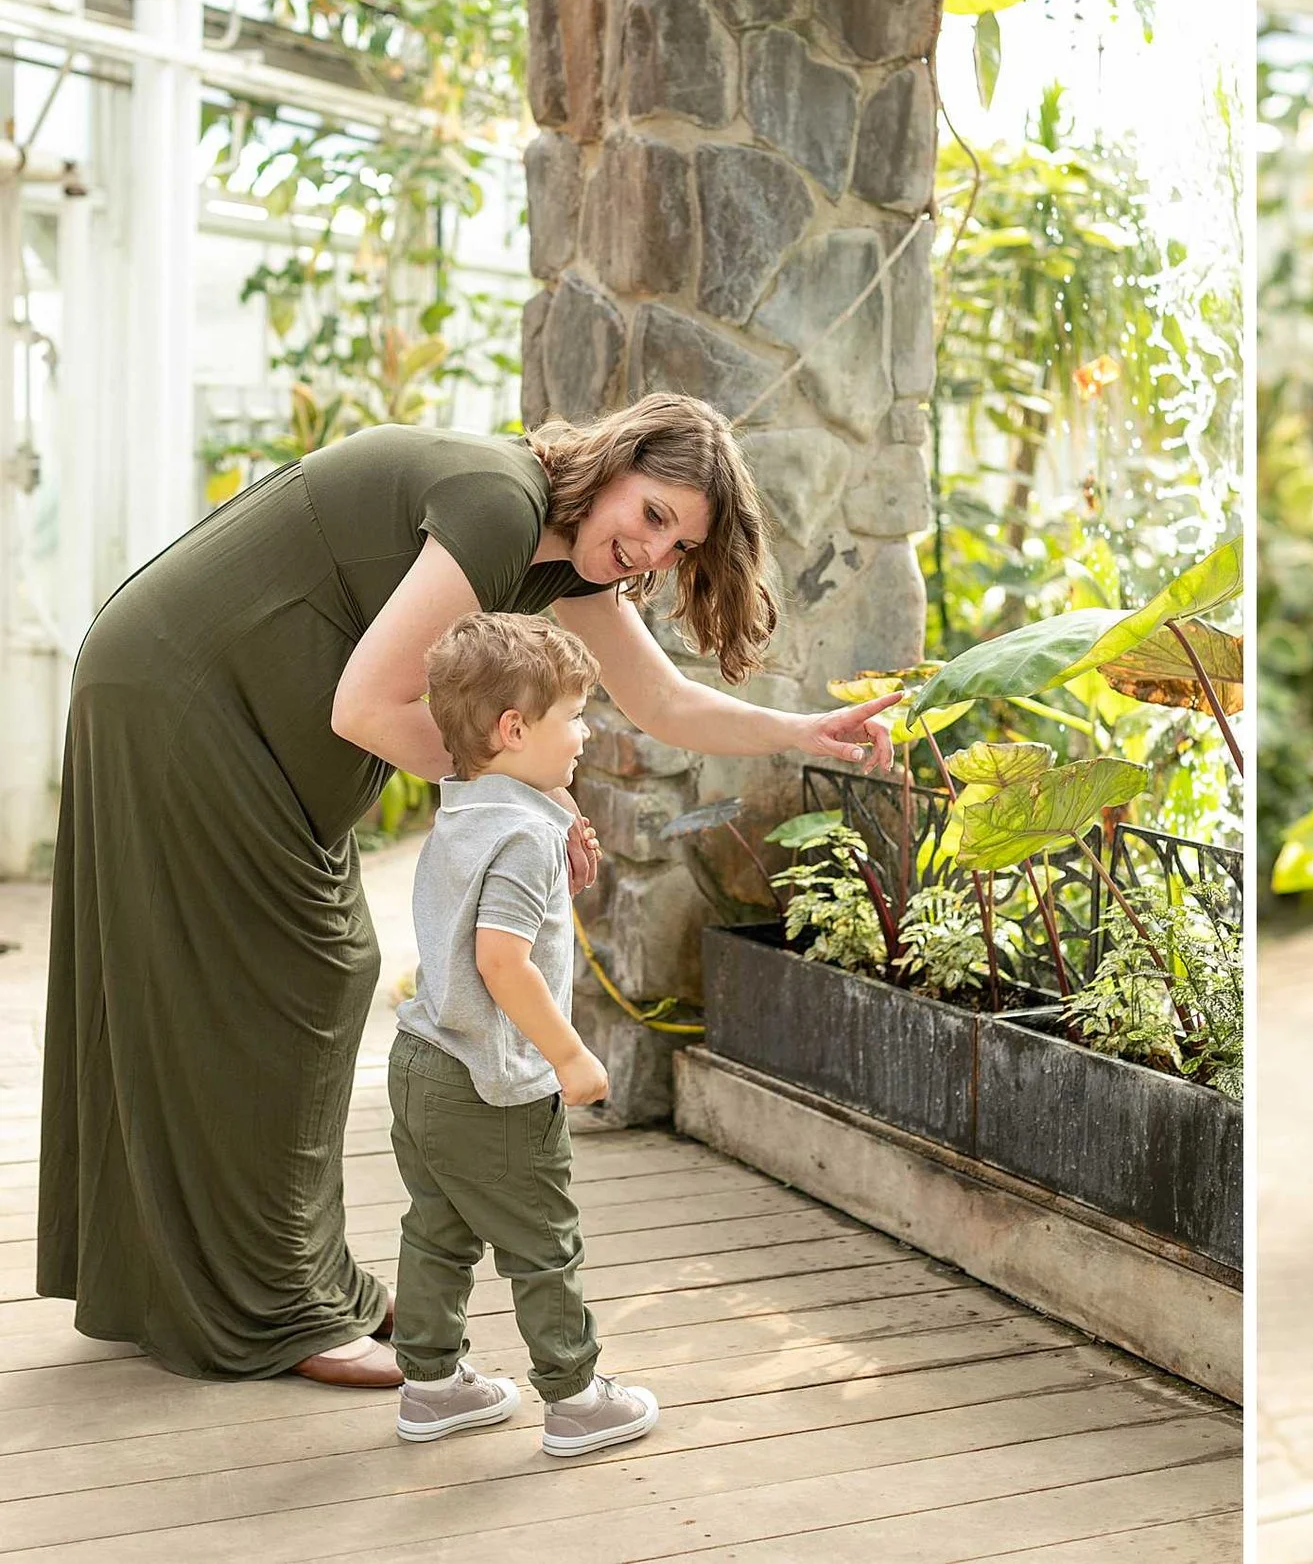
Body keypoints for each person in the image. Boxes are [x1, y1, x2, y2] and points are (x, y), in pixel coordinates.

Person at [39, 393, 901, 1387]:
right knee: (309, 974)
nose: (653, 551)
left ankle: (261, 1277)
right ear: (613, 465)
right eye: (653, 514)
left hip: (219, 711)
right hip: (184, 697)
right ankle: (277, 1304)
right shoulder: (499, 506)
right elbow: (368, 706)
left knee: (274, 978)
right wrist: (533, 805)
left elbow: (660, 700)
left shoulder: (563, 554)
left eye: (679, 546)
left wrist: (803, 732)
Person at [388, 612, 659, 1455]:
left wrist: (555, 866)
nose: (586, 732)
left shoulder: (465, 808)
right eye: (574, 715)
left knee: (437, 1232)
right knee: (545, 1243)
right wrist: (569, 1056)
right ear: (514, 729)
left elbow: (483, 931)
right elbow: (502, 961)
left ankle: (431, 1387)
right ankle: (576, 1399)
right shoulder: (527, 835)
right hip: (492, 1084)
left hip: (423, 1059)